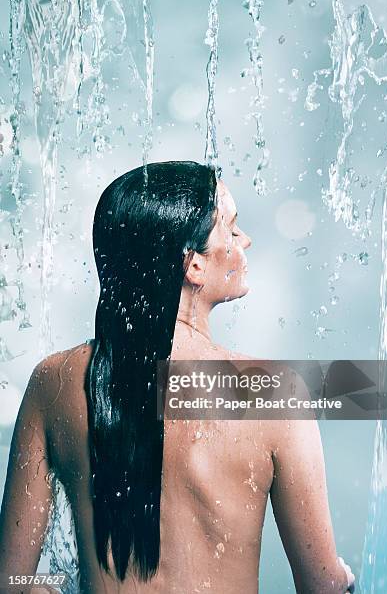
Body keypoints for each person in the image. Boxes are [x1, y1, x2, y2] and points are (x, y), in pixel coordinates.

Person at [0, 161, 355, 593]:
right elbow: (322, 586)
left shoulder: (53, 383)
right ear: (193, 266)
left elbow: (10, 581)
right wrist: (341, 578)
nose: (246, 241)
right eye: (232, 228)